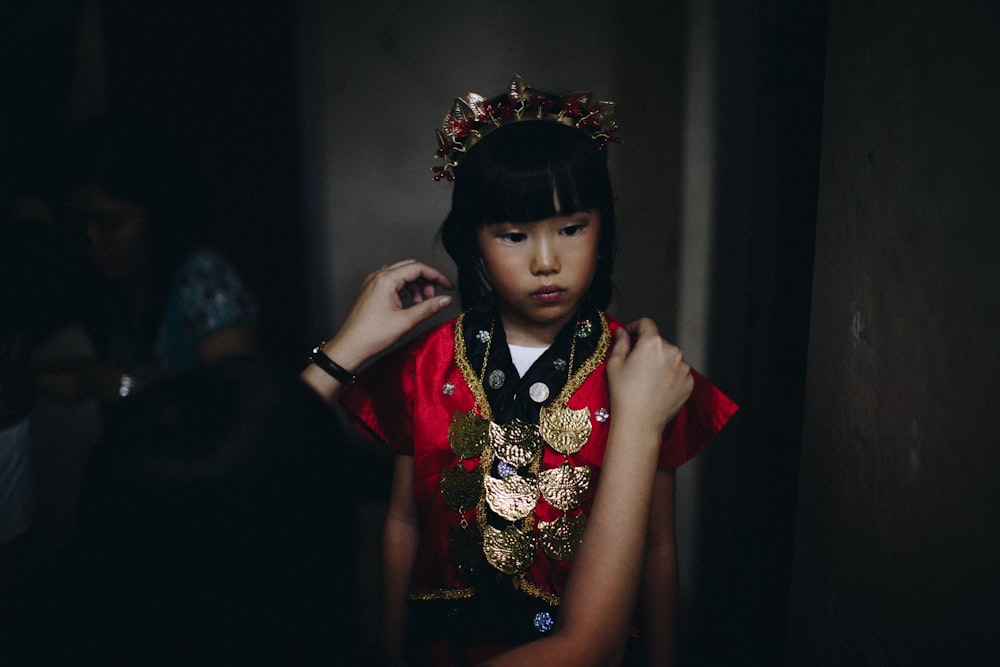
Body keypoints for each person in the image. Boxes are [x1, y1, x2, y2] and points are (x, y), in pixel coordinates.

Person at [301, 76, 739, 666]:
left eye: (571, 228)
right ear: (473, 243)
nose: (546, 261)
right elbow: (404, 520)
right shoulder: (429, 364)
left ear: (604, 225)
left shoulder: (639, 369)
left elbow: (658, 545)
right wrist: (388, 646)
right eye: (513, 235)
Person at [33, 111, 260, 410]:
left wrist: (116, 384)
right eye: (80, 224)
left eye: (110, 224)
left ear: (156, 213)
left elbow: (238, 412)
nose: (92, 242)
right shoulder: (109, 288)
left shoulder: (203, 279)